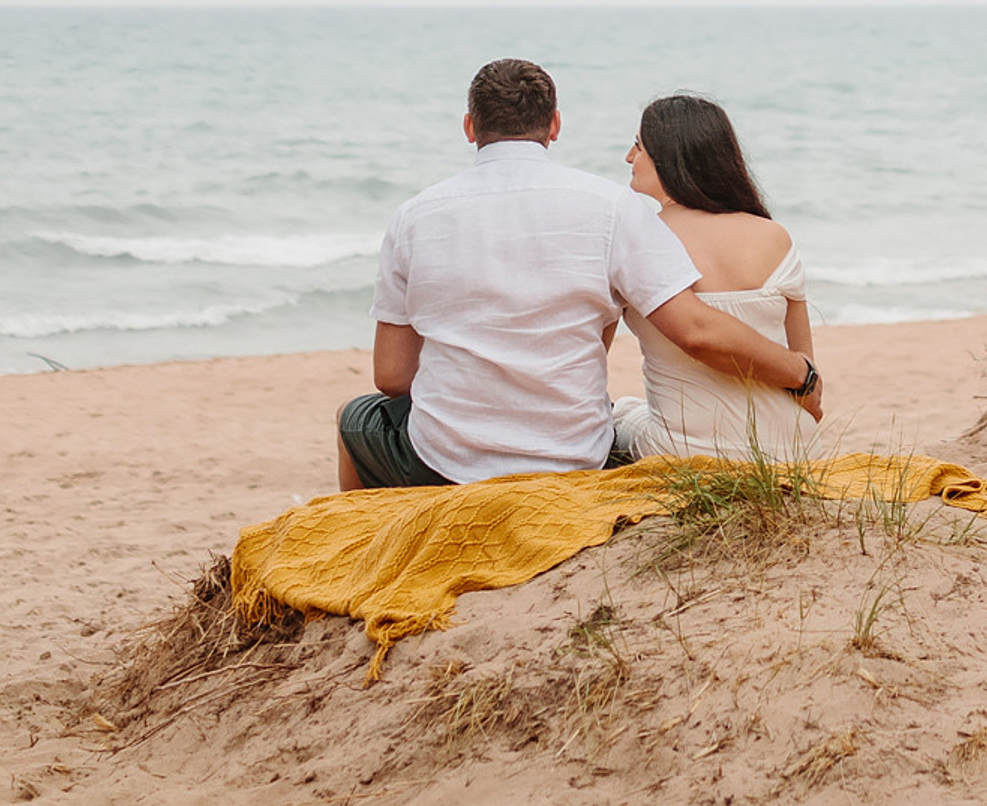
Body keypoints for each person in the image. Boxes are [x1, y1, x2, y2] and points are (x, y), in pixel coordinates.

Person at [336, 58, 824, 489]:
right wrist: (800, 374)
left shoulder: (413, 217)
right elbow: (694, 329)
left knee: (354, 420)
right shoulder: (612, 208)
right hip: (573, 455)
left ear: (469, 127)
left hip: (446, 458)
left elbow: (394, 376)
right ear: (555, 124)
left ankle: (380, 540)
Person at [611, 92, 822, 461]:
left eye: (638, 146)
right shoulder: (774, 237)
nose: (630, 157)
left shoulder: (639, 241)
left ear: (670, 157)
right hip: (793, 451)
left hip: (682, 453)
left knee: (620, 414)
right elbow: (810, 384)